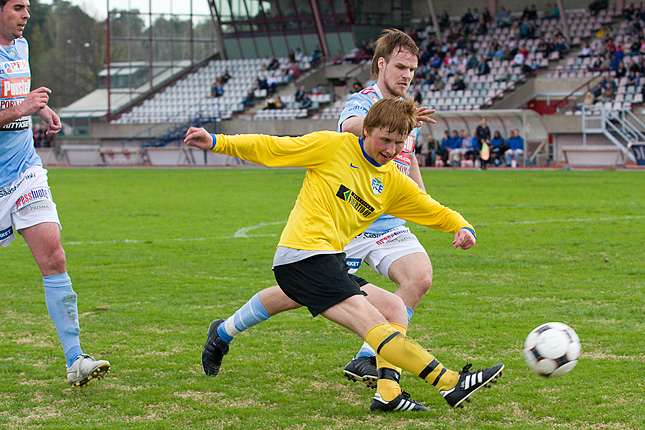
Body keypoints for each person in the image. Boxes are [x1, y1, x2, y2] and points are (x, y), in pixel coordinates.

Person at [197, 28, 477, 398]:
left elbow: (406, 163)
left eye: (412, 68)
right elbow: (347, 131)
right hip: (345, 223)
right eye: (400, 66)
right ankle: (226, 330)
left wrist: (430, 204)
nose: (407, 75)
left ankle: (376, 373)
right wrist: (394, 121)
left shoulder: (406, 116)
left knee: (413, 284)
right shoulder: (365, 105)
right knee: (303, 294)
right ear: (382, 64)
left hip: (385, 214)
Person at [0, 0, 109, 387]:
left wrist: (40, 110)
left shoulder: (22, 47)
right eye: (17, 7)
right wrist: (21, 109)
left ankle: (75, 359)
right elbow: (12, 106)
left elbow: (17, 95)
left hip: (24, 172)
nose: (26, 14)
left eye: (28, 7)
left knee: (54, 255)